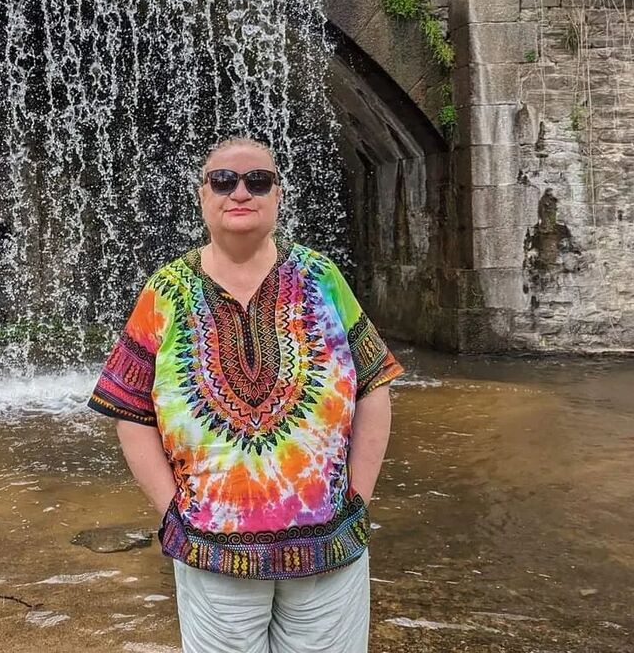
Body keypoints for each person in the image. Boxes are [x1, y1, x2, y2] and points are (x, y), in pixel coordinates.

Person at [88, 136, 404, 653]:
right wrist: (174, 512)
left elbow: (374, 386)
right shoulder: (165, 291)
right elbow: (129, 409)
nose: (241, 192)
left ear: (278, 195)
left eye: (258, 181)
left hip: (329, 544)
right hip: (212, 551)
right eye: (224, 180)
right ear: (202, 195)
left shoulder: (322, 277)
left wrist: (359, 498)